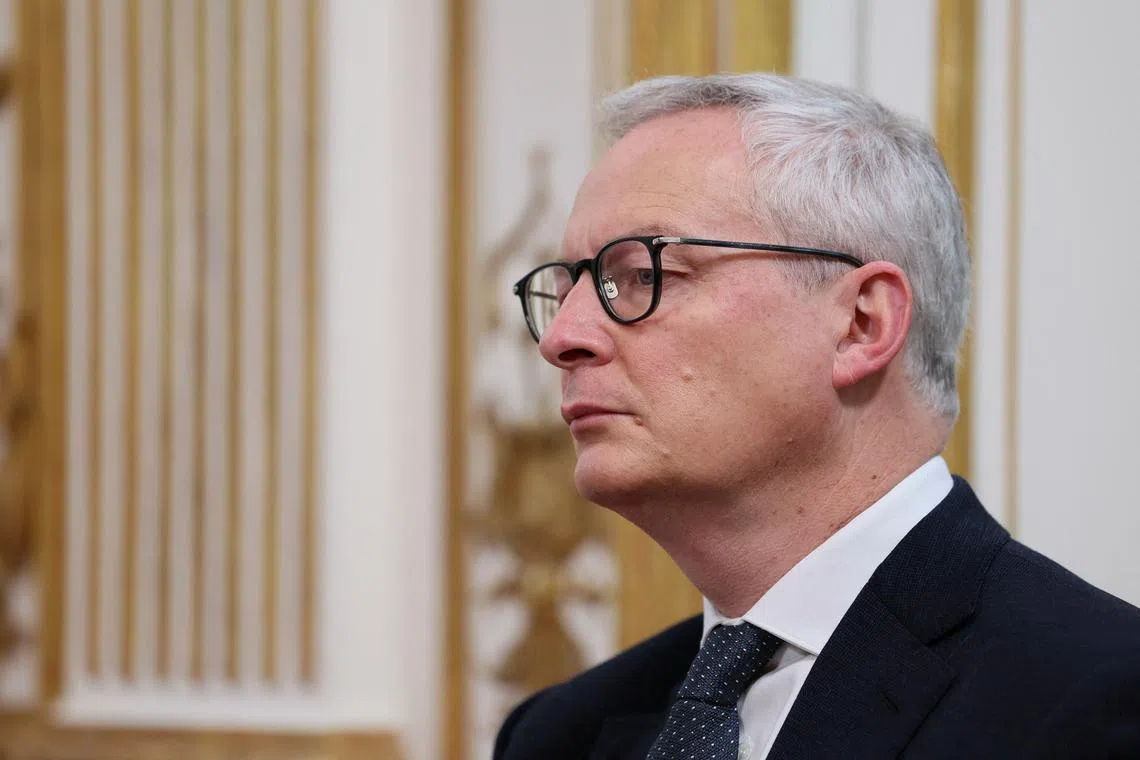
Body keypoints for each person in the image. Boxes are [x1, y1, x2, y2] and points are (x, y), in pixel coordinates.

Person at [493, 72, 1140, 760]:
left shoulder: (1101, 702)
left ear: (862, 323)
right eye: (564, 290)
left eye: (644, 276)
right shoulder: (557, 734)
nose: (562, 337)